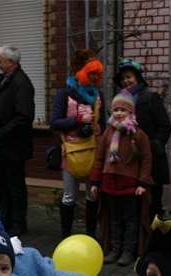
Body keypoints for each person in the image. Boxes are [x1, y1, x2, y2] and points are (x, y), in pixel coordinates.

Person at [89, 91, 152, 266]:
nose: (118, 113)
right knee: (114, 218)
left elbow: (146, 159)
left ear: (131, 112)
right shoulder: (108, 133)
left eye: (123, 110)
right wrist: (95, 182)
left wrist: (143, 182)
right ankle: (114, 248)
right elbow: (99, 158)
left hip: (129, 184)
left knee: (130, 219)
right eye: (115, 109)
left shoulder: (138, 134)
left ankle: (128, 250)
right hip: (109, 183)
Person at [50, 49, 104, 238]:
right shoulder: (64, 94)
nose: (94, 77)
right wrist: (78, 120)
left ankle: (91, 235)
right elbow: (55, 122)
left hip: (93, 149)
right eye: (91, 73)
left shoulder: (98, 95)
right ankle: (66, 236)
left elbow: (103, 125)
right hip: (71, 150)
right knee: (69, 196)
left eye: (96, 74)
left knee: (92, 194)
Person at [0, 45, 35, 237]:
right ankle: (5, 219)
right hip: (2, 147)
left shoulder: (21, 83)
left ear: (11, 62)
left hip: (14, 147)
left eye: (0, 61)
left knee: (15, 186)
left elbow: (23, 117)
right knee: (3, 186)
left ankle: (18, 223)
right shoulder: (7, 80)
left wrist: (0, 133)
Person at [113, 58, 171, 219]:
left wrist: (154, 145)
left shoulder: (151, 98)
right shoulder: (119, 102)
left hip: (152, 160)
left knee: (152, 203)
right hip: (131, 161)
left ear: (137, 77)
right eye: (123, 78)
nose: (126, 81)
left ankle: (155, 232)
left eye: (129, 77)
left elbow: (165, 126)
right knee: (134, 205)